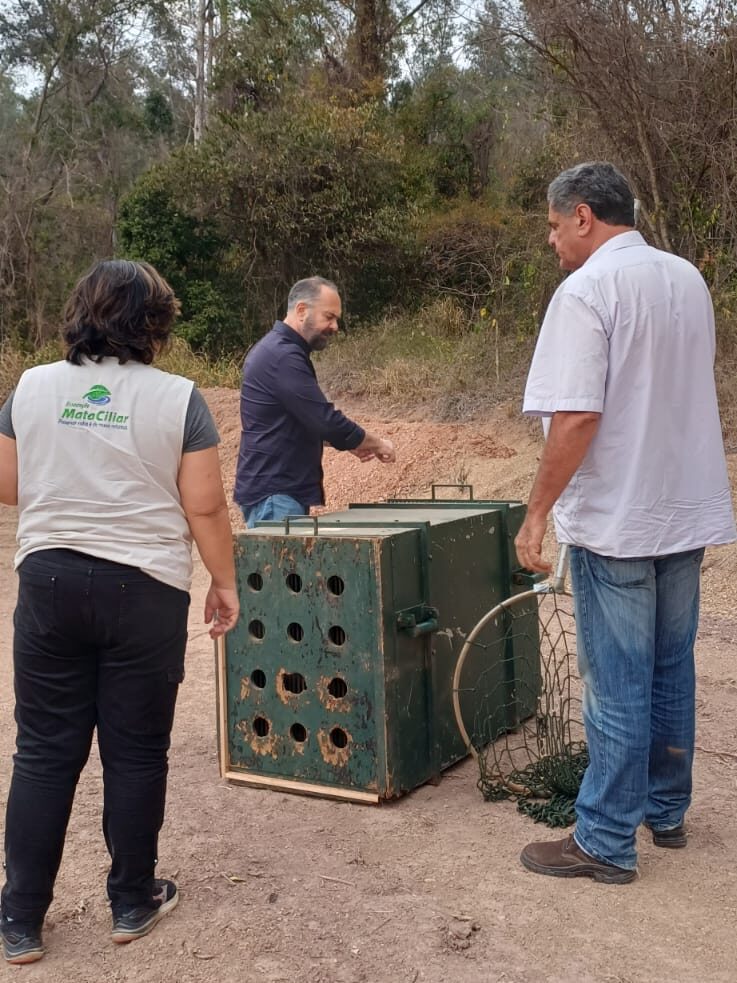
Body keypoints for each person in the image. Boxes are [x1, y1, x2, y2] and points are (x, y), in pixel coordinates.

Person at [0, 259, 240, 964]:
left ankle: (19, 918)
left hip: (47, 580)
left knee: (43, 751)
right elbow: (203, 503)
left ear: (80, 312)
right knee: (135, 752)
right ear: (155, 323)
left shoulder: (31, 387)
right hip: (145, 588)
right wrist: (223, 581)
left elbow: (9, 484)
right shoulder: (180, 398)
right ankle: (132, 899)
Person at [514, 161, 736, 883]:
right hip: (681, 507)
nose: (551, 241)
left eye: (553, 226)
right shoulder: (684, 278)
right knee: (670, 669)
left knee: (615, 679)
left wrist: (536, 512)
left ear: (582, 215)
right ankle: (664, 810)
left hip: (618, 517)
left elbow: (576, 415)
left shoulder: (587, 289)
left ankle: (604, 837)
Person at [234, 276, 396, 526]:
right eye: (329, 316)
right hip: (276, 496)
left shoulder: (278, 351)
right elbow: (324, 419)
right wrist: (376, 443)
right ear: (301, 311)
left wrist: (343, 442)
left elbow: (297, 420)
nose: (335, 327)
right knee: (284, 567)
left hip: (275, 493)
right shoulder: (283, 356)